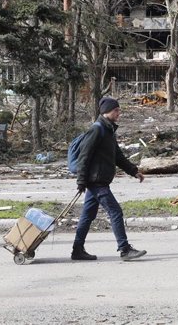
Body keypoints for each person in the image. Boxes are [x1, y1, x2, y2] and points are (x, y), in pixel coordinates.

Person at [71, 97, 147, 261]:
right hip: (96, 181)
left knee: (87, 215)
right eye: (116, 110)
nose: (119, 113)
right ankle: (125, 249)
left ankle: (77, 250)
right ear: (107, 112)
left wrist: (134, 171)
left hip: (99, 180)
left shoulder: (109, 130)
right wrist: (81, 181)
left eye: (119, 110)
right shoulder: (97, 130)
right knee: (115, 211)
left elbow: (118, 157)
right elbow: (84, 157)